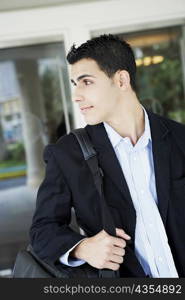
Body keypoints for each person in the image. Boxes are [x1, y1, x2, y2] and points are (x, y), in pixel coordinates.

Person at [29, 34, 185, 277]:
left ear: (121, 80)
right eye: (74, 84)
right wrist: (82, 248)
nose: (76, 95)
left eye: (86, 82)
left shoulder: (179, 138)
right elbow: (42, 231)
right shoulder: (67, 154)